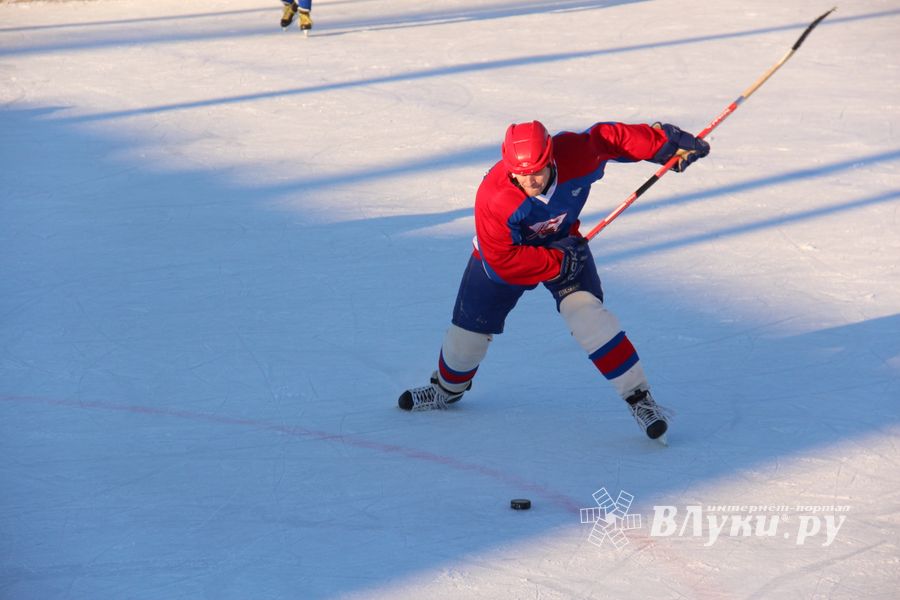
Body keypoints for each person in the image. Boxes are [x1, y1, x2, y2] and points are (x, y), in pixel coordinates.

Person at [397, 119, 710, 443]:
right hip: (508, 259)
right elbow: (502, 261)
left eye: (538, 170)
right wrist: (558, 262)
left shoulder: (576, 156)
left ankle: (640, 400)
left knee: (589, 318)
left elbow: (611, 138)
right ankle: (446, 390)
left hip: (563, 243)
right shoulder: (495, 198)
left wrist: (663, 145)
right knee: (468, 336)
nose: (530, 180)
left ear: (550, 157)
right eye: (521, 173)